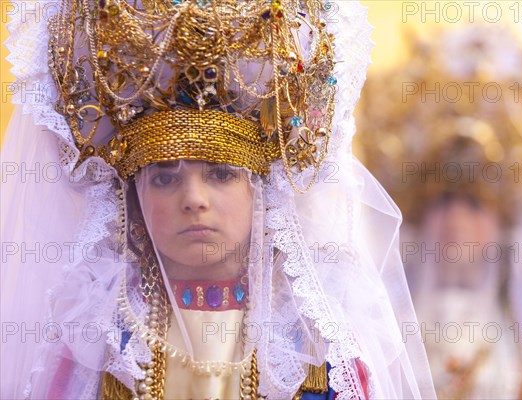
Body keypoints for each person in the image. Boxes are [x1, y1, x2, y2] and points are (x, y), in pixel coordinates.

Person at [0, 1, 435, 399]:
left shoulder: (309, 349)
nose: (194, 199)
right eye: (164, 179)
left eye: (222, 174)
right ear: (131, 195)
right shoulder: (99, 342)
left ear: (263, 194)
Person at [357, 23, 522, 399]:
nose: (456, 222)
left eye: (474, 204)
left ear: (505, 223)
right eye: (443, 201)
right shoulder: (376, 324)